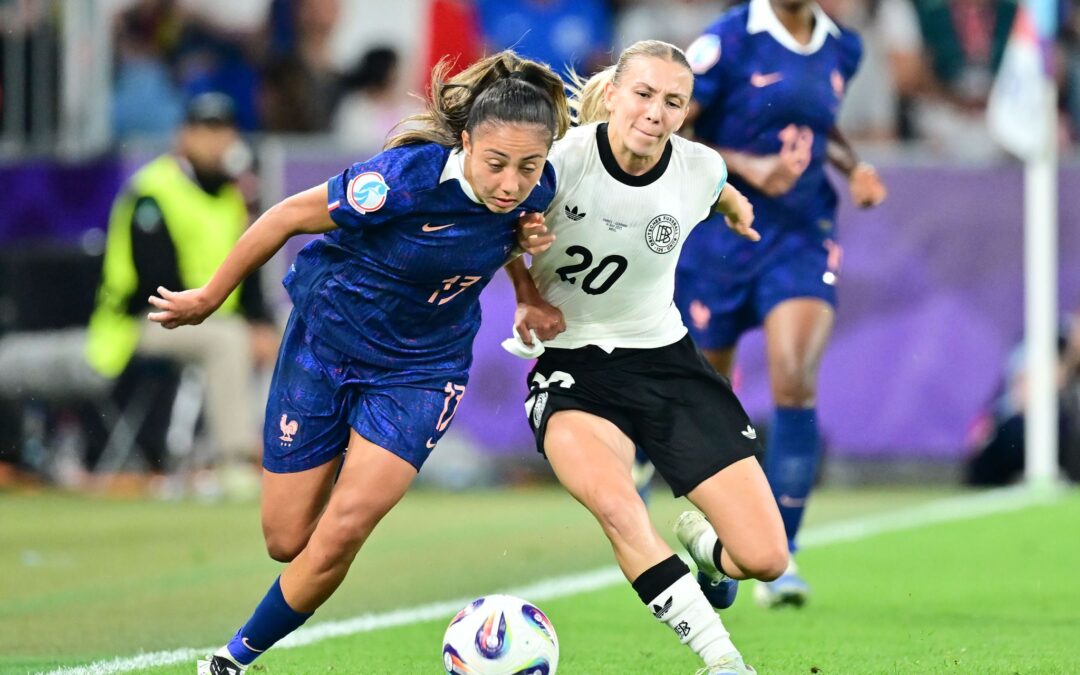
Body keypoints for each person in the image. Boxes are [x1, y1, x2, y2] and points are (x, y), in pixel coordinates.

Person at [145, 52, 569, 675]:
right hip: (325, 344)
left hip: (422, 371)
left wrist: (528, 293)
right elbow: (287, 215)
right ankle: (344, 447)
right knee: (286, 540)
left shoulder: (539, 190)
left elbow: (499, 232)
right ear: (470, 140)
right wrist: (211, 297)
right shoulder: (403, 179)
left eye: (528, 167)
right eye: (497, 163)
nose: (511, 183)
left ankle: (233, 658)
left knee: (344, 527)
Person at [506, 40, 786, 675]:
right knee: (620, 509)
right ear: (612, 95)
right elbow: (496, 221)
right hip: (575, 370)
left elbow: (719, 192)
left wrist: (739, 208)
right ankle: (722, 661)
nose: (655, 112)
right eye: (643, 93)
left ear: (685, 113)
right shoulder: (557, 164)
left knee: (766, 558)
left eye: (673, 101)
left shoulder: (700, 169)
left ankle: (705, 547)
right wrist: (526, 293)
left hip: (666, 362)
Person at [673, 0, 888, 608]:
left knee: (794, 380)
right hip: (719, 237)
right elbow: (679, 129)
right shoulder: (727, 41)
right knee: (707, 397)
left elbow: (820, 127)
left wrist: (855, 166)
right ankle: (715, 539)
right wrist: (747, 168)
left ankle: (781, 557)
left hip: (801, 236)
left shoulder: (842, 46)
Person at [86, 92, 277, 490]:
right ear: (183, 137)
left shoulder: (232, 195)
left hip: (207, 317)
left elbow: (249, 270)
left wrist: (262, 324)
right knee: (228, 339)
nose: (216, 140)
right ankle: (234, 461)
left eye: (224, 130)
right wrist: (239, 324)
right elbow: (155, 283)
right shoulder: (153, 192)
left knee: (287, 331)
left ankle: (293, 457)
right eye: (205, 130)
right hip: (138, 322)